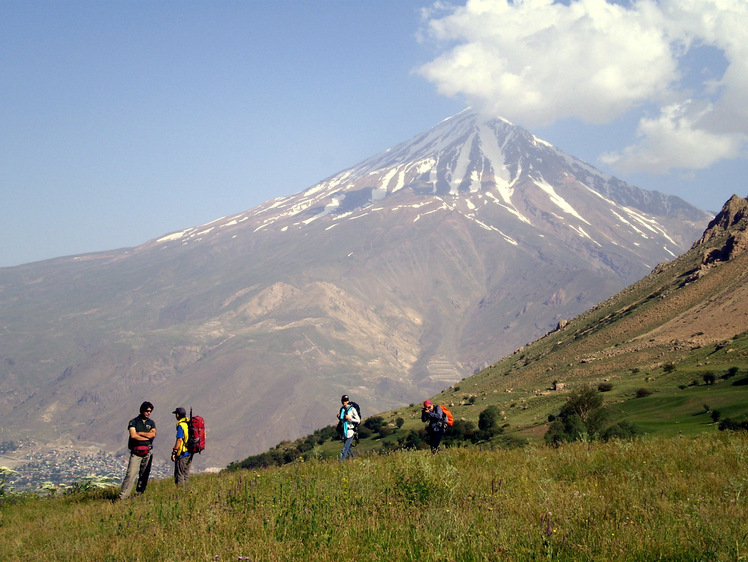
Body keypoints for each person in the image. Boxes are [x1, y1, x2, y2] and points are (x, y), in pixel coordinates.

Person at [119, 401, 157, 500]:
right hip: (136, 452)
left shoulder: (151, 423)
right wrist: (146, 437)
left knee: (144, 474)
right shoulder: (133, 422)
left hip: (148, 452)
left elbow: (153, 435)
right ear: (142, 410)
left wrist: (140, 433)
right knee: (131, 474)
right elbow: (133, 435)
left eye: (150, 411)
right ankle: (123, 497)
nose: (149, 413)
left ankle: (139, 495)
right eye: (147, 411)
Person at [171, 407, 193, 486]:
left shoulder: (181, 425)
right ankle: (186, 492)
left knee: (179, 474)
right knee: (186, 474)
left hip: (183, 453)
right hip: (190, 452)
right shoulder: (189, 423)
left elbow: (179, 439)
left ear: (177, 415)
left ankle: (180, 493)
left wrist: (175, 451)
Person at [338, 395, 360, 460]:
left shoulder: (352, 409)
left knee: (344, 449)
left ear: (348, 401)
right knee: (348, 449)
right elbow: (342, 420)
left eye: (345, 401)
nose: (344, 402)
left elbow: (358, 420)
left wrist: (350, 419)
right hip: (344, 432)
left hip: (350, 432)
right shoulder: (342, 410)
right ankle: (354, 460)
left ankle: (340, 462)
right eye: (343, 401)